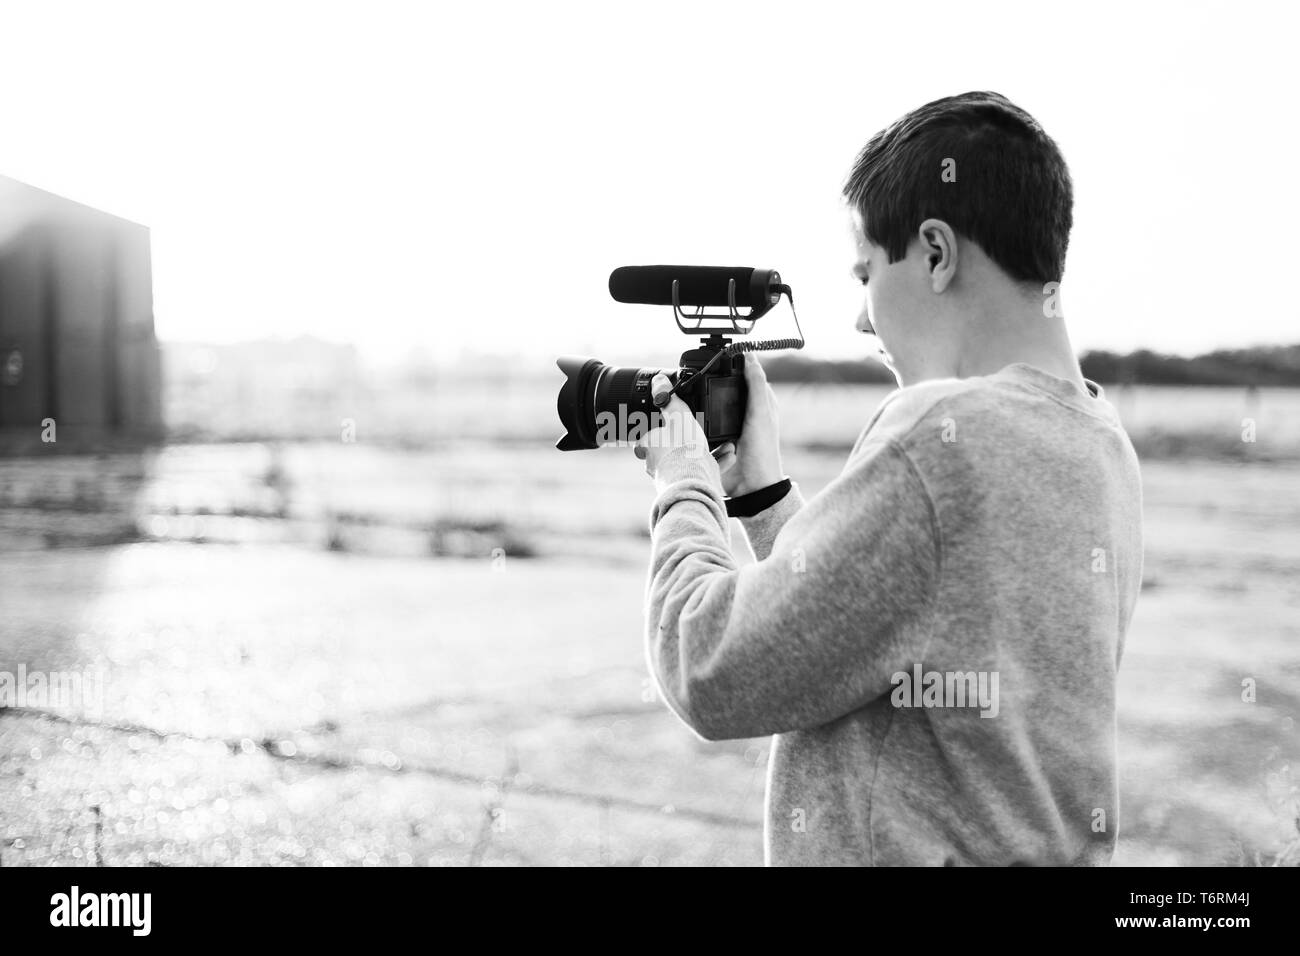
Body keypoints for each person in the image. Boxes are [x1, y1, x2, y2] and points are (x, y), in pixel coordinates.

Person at [633, 91, 1144, 866]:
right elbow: (887, 614)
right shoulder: (1100, 444)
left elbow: (709, 667)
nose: (864, 321)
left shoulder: (945, 439)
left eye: (867, 273)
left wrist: (682, 476)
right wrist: (762, 492)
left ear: (935, 253)